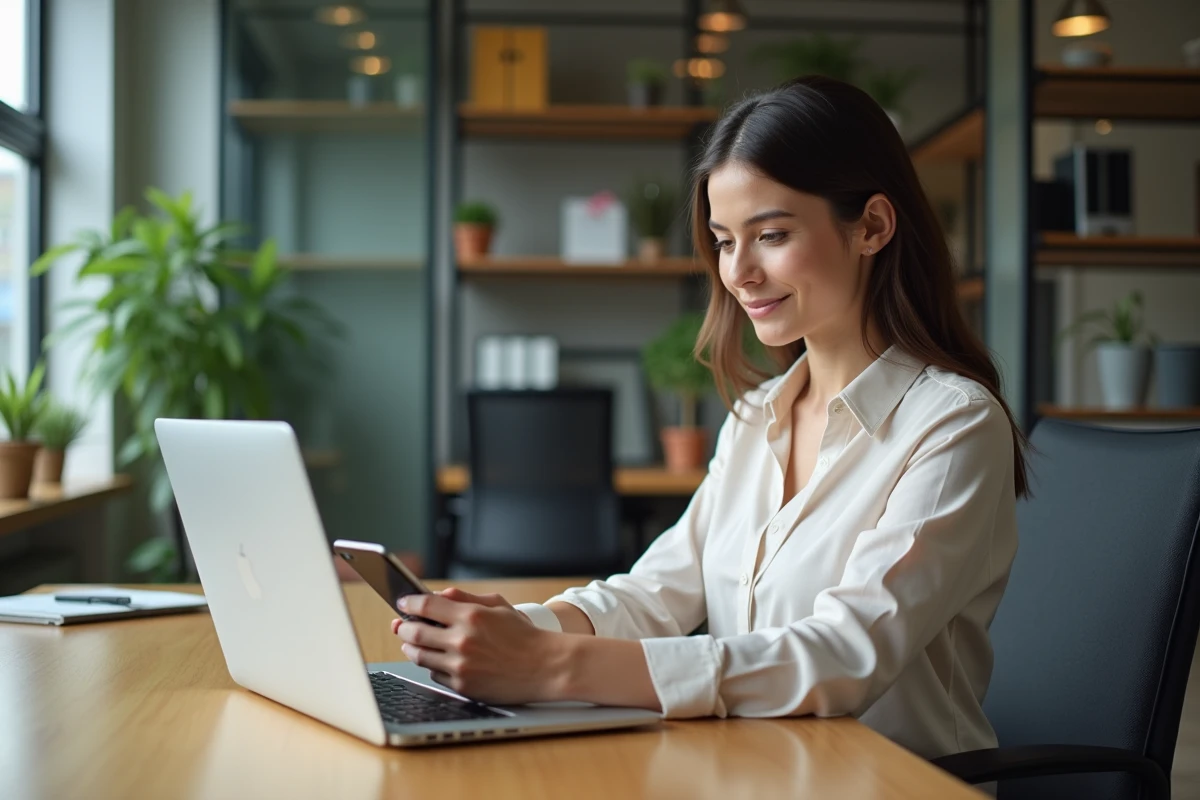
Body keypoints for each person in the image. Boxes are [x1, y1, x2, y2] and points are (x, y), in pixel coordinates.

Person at [392, 76, 1028, 761]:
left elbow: (844, 655)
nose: (740, 272)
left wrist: (549, 665)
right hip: (755, 768)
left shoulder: (954, 426)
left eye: (772, 235)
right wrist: (521, 628)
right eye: (725, 241)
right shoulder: (758, 417)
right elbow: (657, 592)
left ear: (871, 225)